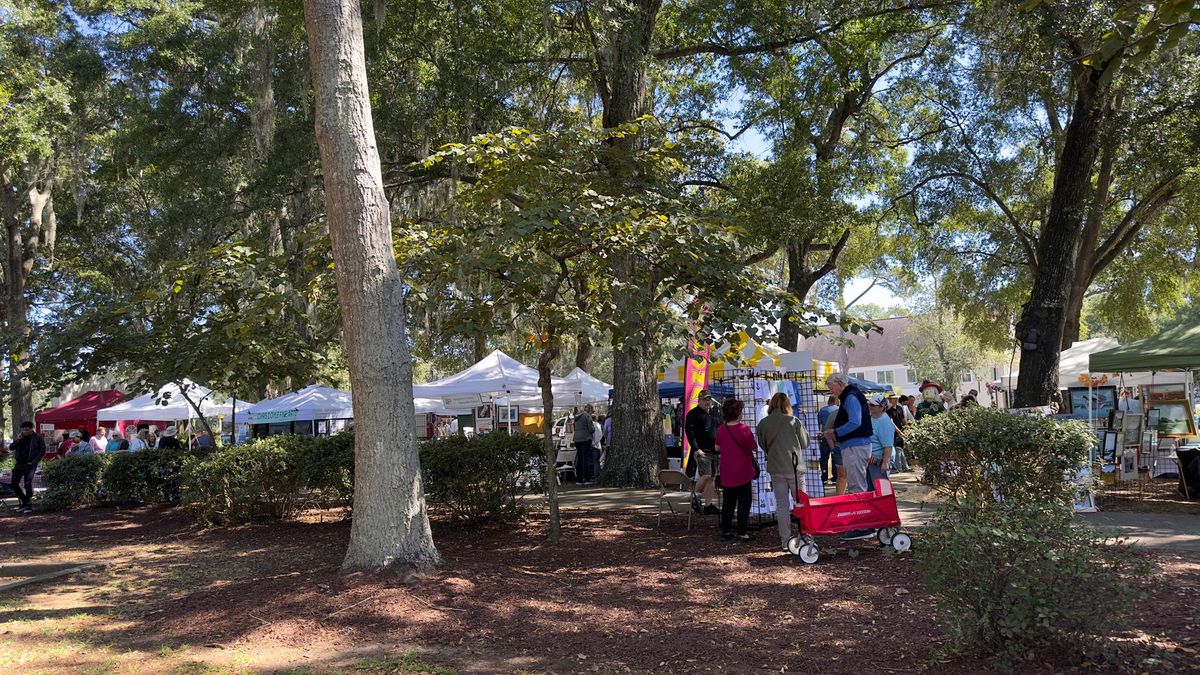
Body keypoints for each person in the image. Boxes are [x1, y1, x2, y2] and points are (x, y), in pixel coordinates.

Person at [823, 373, 874, 540]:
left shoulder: (851, 396)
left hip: (855, 446)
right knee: (856, 484)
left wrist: (835, 432)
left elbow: (855, 422)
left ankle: (863, 525)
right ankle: (861, 523)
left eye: (831, 388)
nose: (831, 391)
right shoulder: (850, 395)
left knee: (857, 486)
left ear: (840, 384)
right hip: (853, 445)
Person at [757, 392, 809, 552]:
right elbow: (805, 443)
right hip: (794, 468)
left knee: (782, 505)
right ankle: (806, 536)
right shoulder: (794, 421)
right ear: (787, 405)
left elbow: (763, 444)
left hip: (776, 468)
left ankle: (785, 540)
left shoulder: (763, 423)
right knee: (802, 503)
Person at [715, 398, 756, 542]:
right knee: (744, 503)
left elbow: (717, 447)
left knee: (728, 503)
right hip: (743, 471)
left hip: (727, 470)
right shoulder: (744, 429)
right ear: (738, 413)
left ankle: (725, 531)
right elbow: (753, 446)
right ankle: (742, 532)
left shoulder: (721, 428)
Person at [684, 390, 720, 515]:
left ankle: (708, 505)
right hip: (702, 451)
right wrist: (696, 448)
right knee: (705, 475)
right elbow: (689, 432)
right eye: (704, 400)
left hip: (714, 451)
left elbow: (718, 429)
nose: (707, 402)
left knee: (712, 478)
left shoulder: (714, 413)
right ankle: (694, 498)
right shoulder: (693, 414)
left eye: (709, 400)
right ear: (699, 400)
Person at [9, 421, 46, 512]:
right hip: (19, 463)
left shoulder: (37, 438)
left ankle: (28, 506)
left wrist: (34, 462)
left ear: (31, 428)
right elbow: (11, 447)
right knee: (14, 484)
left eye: (27, 430)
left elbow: (42, 450)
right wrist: (18, 440)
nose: (25, 431)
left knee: (27, 484)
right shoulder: (20, 437)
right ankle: (25, 502)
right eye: (23, 430)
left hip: (30, 464)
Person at [867, 395, 895, 490]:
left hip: (878, 460)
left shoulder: (884, 422)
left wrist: (885, 462)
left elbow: (888, 445)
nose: (870, 406)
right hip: (871, 459)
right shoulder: (872, 418)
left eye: (873, 405)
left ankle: (886, 505)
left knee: (882, 490)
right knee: (872, 490)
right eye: (870, 404)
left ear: (881, 408)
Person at [817, 395, 840, 484]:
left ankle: (824, 476)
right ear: (836, 401)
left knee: (824, 458)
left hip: (824, 436)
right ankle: (835, 477)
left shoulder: (822, 410)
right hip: (835, 436)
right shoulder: (838, 410)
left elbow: (819, 423)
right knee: (835, 456)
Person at [572, 405, 596, 485]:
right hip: (586, 438)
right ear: (589, 410)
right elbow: (591, 429)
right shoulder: (587, 416)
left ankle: (579, 479)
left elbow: (574, 427)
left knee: (580, 459)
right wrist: (593, 429)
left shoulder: (577, 417)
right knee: (586, 459)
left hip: (577, 439)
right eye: (592, 411)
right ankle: (587, 479)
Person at [886, 393, 909, 472]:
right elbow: (891, 423)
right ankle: (896, 467)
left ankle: (904, 467)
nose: (895, 400)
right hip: (891, 432)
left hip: (900, 431)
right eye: (893, 398)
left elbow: (903, 419)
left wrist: (908, 427)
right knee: (894, 450)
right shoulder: (887, 410)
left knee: (900, 448)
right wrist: (899, 432)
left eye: (896, 398)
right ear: (889, 400)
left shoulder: (899, 408)